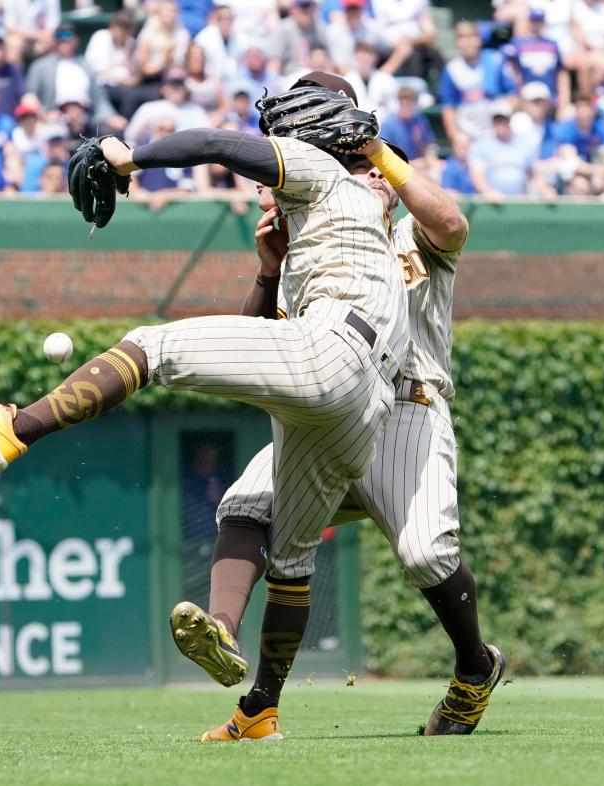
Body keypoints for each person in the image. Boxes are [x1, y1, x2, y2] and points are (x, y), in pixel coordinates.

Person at [0, 71, 409, 741]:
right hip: (358, 407)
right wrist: (270, 271)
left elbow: (218, 143)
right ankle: (260, 711)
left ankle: (14, 427)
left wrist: (130, 156)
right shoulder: (352, 206)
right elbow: (259, 336)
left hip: (336, 350)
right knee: (289, 555)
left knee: (153, 347)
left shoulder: (323, 170)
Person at [177, 133, 506, 740]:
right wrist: (270, 269)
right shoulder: (310, 257)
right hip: (332, 417)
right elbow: (254, 344)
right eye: (352, 171)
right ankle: (241, 670)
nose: (364, 180)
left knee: (426, 554)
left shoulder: (411, 233)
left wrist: (378, 153)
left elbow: (454, 224)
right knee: (246, 506)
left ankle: (474, 668)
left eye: (367, 170)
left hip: (408, 409)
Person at [25, 22, 125, 132]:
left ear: (76, 40)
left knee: (114, 132)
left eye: (68, 36)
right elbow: (29, 97)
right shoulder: (40, 66)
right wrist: (44, 115)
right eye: (59, 37)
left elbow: (99, 97)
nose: (64, 41)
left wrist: (110, 116)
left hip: (88, 119)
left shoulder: (86, 65)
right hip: (56, 120)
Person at [438, 19, 515, 145]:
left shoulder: (494, 60)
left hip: (496, 128)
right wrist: (454, 135)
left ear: (479, 39)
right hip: (468, 131)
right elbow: (448, 106)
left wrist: (503, 122)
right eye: (463, 38)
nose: (468, 43)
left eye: (472, 37)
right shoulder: (452, 69)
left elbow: (512, 95)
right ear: (457, 43)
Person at [469, 98, 538, 197]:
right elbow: (477, 175)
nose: (500, 124)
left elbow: (532, 174)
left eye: (503, 120)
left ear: (509, 120)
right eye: (496, 120)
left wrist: (545, 189)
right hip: (490, 203)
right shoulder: (481, 145)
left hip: (519, 201)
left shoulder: (524, 145)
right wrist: (488, 191)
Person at [123, 68, 210, 147]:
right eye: (172, 84)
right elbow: (130, 136)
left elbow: (205, 139)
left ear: (186, 89)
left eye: (179, 84)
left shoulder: (196, 110)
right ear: (163, 88)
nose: (176, 88)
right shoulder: (149, 108)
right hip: (153, 156)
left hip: (187, 158)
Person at [270, 0, 329, 76]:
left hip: (316, 76)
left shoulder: (319, 28)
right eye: (302, 7)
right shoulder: (283, 29)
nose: (306, 11)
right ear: (292, 10)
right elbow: (274, 63)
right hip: (291, 77)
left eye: (308, 7)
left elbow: (328, 61)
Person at [380, 83, 435, 162]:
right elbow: (386, 156)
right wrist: (413, 164)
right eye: (404, 104)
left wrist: (431, 162)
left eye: (410, 104)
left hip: (421, 165)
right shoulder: (388, 125)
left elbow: (427, 147)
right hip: (398, 167)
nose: (407, 108)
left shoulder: (419, 120)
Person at [2, 0, 59, 66]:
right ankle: (16, 75)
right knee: (13, 43)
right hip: (21, 38)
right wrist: (37, 36)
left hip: (42, 39)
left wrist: (41, 38)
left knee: (52, 41)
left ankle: (49, 74)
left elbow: (53, 27)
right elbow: (10, 28)